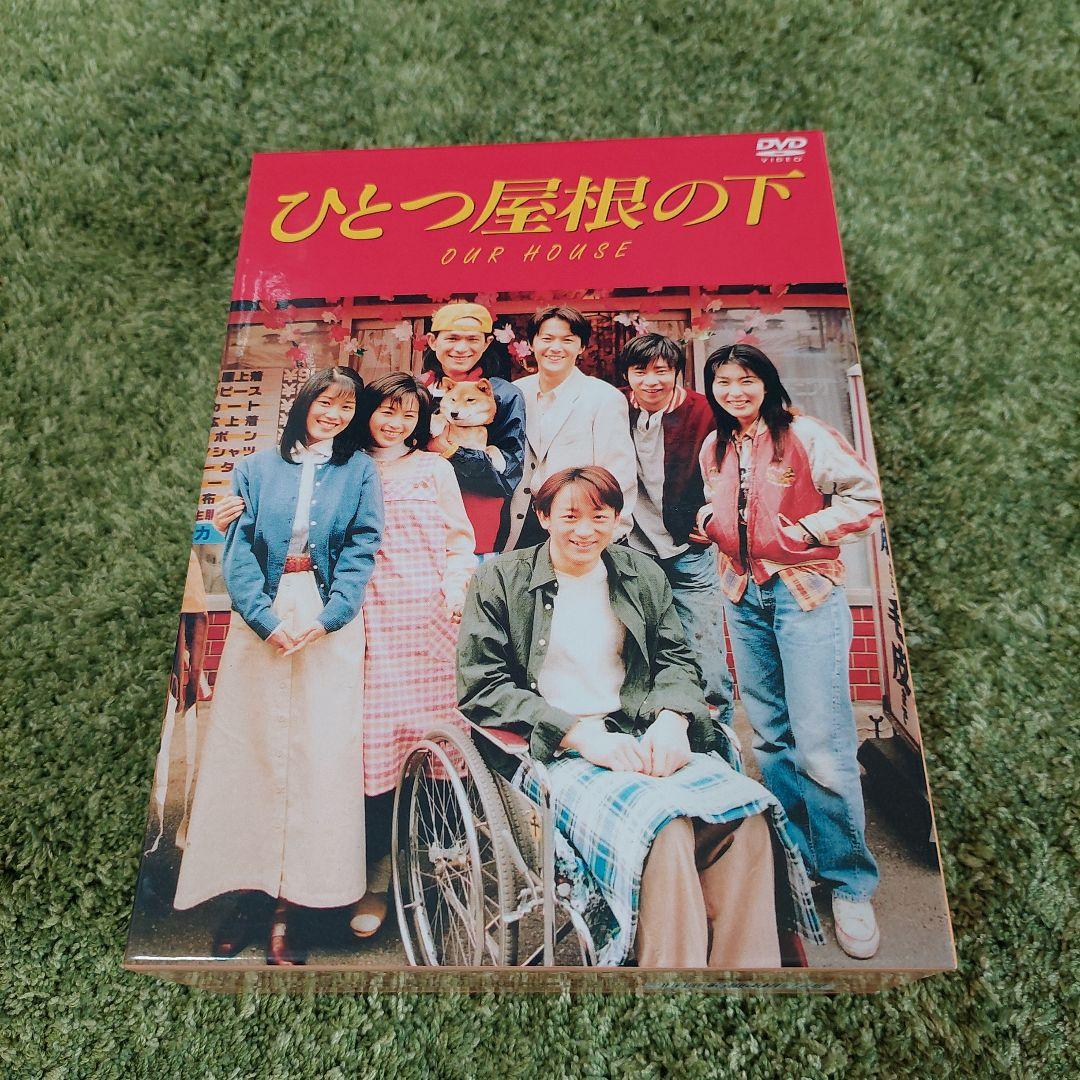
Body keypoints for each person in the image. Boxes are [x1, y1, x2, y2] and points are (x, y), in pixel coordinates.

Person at [458, 466, 822, 968]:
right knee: (666, 830)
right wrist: (577, 734)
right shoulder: (501, 579)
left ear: (617, 519)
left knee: (747, 818)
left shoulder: (640, 574)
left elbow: (676, 659)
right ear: (544, 517)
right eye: (570, 516)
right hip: (556, 750)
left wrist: (673, 719)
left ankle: (747, 977)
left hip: (639, 730)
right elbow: (483, 687)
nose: (585, 531)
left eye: (599, 517)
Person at [173, 366, 383, 965]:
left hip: (327, 620)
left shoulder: (358, 471)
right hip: (261, 616)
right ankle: (249, 897)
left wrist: (331, 615)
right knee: (250, 752)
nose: (335, 415)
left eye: (347, 407)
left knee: (319, 756)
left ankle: (295, 907)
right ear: (305, 403)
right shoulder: (254, 469)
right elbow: (238, 552)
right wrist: (264, 620)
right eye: (326, 402)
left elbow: (363, 545)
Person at [695, 343, 884, 959]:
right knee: (771, 736)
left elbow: (868, 497)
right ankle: (798, 857)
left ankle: (849, 880)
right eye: (723, 381)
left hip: (805, 594)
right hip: (742, 593)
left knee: (822, 743)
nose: (735, 391)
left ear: (767, 383)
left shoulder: (805, 434)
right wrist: (711, 519)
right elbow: (723, 501)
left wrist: (808, 529)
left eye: (746, 380)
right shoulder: (716, 444)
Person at [348, 371, 477, 938]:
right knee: (374, 756)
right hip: (367, 625)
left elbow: (460, 541)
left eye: (408, 413)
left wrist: (455, 592)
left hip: (429, 624)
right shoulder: (346, 467)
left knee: (438, 750)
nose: (395, 423)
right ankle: (374, 882)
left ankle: (444, 874)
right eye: (386, 410)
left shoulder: (434, 469)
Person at [616, 332, 734, 724]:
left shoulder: (705, 411)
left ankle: (716, 739)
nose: (651, 381)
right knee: (637, 651)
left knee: (704, 654)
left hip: (688, 549)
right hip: (632, 549)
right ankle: (649, 736)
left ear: (677, 373)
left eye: (662, 371)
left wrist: (714, 517)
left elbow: (735, 466)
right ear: (627, 375)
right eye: (640, 371)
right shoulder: (615, 408)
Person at [504, 305, 636, 550]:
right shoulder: (516, 392)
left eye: (567, 340)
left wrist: (610, 536)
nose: (556, 348)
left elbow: (619, 473)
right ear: (531, 343)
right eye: (547, 339)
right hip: (521, 523)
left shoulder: (604, 397)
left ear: (581, 347)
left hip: (579, 525)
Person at [420, 302, 526, 556]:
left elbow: (507, 476)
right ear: (433, 341)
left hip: (476, 524)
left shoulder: (503, 395)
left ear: (487, 343)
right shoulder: (415, 391)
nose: (461, 348)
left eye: (472, 339)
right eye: (452, 338)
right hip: (418, 520)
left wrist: (452, 452)